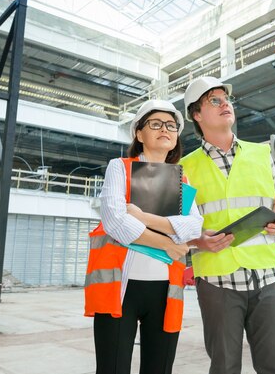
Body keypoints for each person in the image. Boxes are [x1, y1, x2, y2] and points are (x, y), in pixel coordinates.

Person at [180, 76, 275, 374]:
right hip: (218, 282)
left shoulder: (262, 153)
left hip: (268, 275)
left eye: (226, 99)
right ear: (197, 115)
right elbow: (177, 226)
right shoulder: (184, 168)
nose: (225, 103)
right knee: (225, 367)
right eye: (214, 100)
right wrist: (198, 240)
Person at [84, 99, 203, 374]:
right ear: (139, 133)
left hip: (165, 290)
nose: (165, 129)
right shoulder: (120, 167)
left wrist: (142, 216)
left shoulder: (181, 181)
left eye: (171, 125)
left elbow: (193, 227)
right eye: (156, 124)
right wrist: (167, 241)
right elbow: (116, 220)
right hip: (119, 290)